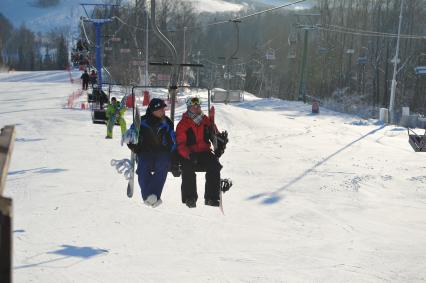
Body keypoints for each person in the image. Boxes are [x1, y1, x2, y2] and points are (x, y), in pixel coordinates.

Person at [127, 98, 176, 207]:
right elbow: (131, 136)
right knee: (143, 167)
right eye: (161, 109)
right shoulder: (141, 121)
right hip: (145, 151)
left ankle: (148, 196)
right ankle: (153, 197)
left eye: (164, 109)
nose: (164, 111)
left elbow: (173, 140)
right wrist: (133, 145)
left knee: (163, 165)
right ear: (154, 110)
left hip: (162, 152)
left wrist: (173, 153)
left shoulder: (167, 122)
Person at [176, 96, 222, 208]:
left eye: (198, 106)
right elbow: (180, 144)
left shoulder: (206, 120)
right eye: (194, 107)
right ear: (189, 108)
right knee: (187, 168)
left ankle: (211, 197)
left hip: (204, 151)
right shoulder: (183, 124)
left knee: (215, 166)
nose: (197, 108)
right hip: (189, 153)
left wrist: (220, 143)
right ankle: (189, 198)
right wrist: (188, 154)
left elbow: (214, 135)